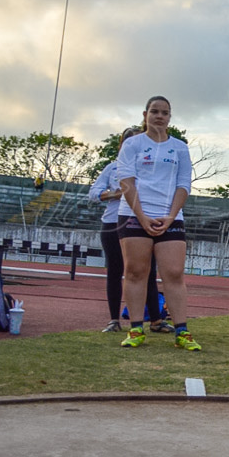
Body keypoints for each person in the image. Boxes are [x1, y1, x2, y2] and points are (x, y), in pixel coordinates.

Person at [115, 96, 199, 351]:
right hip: (134, 214)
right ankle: (136, 329)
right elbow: (126, 181)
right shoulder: (132, 144)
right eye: (154, 111)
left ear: (170, 117)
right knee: (136, 272)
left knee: (173, 273)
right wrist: (141, 216)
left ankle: (182, 331)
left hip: (169, 216)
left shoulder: (180, 147)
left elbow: (184, 184)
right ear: (145, 115)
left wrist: (171, 216)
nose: (159, 116)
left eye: (164, 112)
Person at [87, 126, 170, 334]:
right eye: (129, 142)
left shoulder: (153, 168)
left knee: (147, 272)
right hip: (113, 223)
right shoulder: (112, 168)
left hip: (141, 223)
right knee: (115, 271)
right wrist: (113, 194)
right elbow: (93, 193)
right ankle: (114, 320)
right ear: (122, 145)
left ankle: (156, 320)